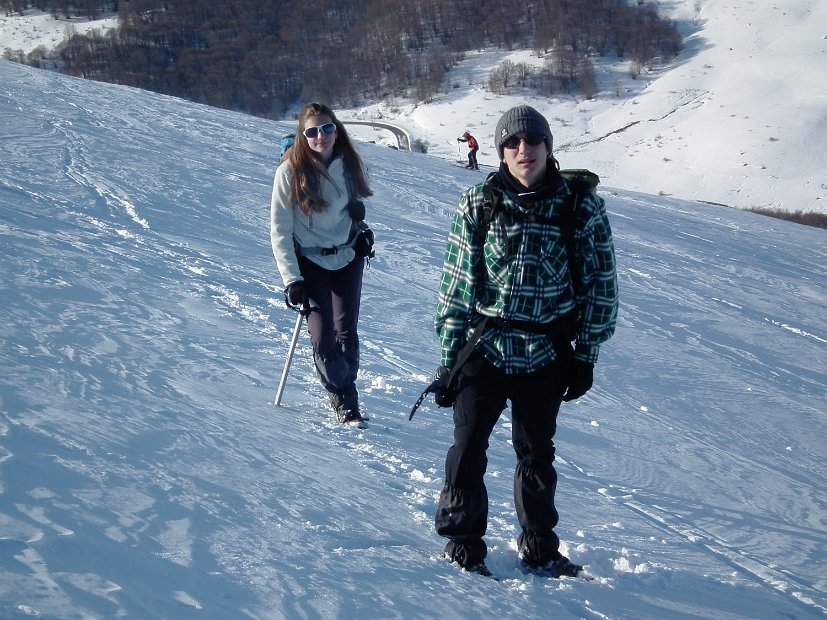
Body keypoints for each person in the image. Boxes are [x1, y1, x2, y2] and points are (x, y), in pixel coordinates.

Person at [432, 105, 618, 577]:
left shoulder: (579, 205)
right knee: (468, 446)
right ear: (499, 152)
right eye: (512, 143)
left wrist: (586, 355)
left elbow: (602, 283)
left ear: (548, 146)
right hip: (487, 347)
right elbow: (457, 285)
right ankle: (463, 539)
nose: (523, 150)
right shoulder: (479, 203)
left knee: (536, 453)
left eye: (532, 141)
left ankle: (539, 545)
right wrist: (449, 361)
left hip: (545, 353)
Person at [270, 102, 373, 426]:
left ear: (336, 128)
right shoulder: (289, 172)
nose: (321, 136)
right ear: (303, 136)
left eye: (327, 128)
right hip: (310, 263)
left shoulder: (350, 163)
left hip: (347, 256)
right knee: (323, 337)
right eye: (312, 131)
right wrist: (292, 279)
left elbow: (351, 206)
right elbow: (280, 231)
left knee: (346, 330)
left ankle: (345, 397)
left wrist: (361, 227)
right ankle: (344, 395)